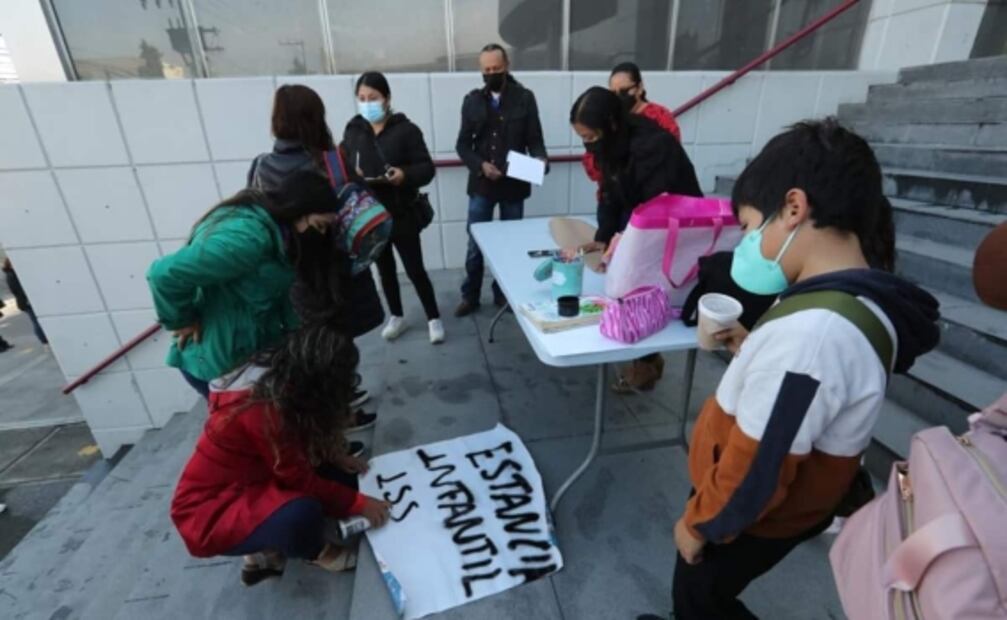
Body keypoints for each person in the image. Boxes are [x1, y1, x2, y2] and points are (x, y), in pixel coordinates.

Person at [641, 119, 940, 620]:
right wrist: (752, 347)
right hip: (784, 499)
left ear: (794, 208)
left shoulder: (813, 336)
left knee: (699, 597)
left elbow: (759, 464)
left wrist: (697, 525)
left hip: (747, 510)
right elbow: (806, 396)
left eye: (748, 227)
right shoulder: (850, 298)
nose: (744, 244)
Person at [171, 320, 392, 586]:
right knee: (302, 514)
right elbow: (297, 478)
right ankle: (313, 552)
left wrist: (334, 455)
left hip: (256, 475)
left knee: (348, 480)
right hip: (209, 511)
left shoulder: (283, 380)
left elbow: (297, 440)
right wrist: (359, 504)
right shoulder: (265, 409)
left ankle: (265, 547)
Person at [249, 83, 383, 414]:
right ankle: (344, 401)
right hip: (338, 273)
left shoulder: (261, 168)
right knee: (340, 342)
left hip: (295, 276)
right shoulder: (334, 162)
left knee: (308, 343)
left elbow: (258, 220)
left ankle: (332, 403)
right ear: (316, 118)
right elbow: (364, 207)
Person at [147, 173, 337, 402]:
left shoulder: (275, 234)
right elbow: (163, 274)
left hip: (246, 356)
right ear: (297, 211)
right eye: (319, 225)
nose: (321, 234)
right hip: (221, 366)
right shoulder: (247, 241)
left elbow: (274, 293)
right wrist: (181, 320)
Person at [568, 86, 702, 393]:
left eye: (591, 137)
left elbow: (656, 210)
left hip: (675, 223)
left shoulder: (653, 146)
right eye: (583, 138)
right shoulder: (611, 143)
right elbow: (609, 191)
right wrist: (604, 236)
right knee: (625, 282)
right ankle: (644, 357)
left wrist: (625, 239)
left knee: (641, 289)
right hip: (643, 215)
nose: (588, 145)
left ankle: (646, 362)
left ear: (612, 124)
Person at [342, 71, 443, 345]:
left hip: (401, 212)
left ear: (386, 98)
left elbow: (426, 168)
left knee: (415, 269)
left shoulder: (406, 130)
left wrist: (404, 175)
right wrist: (352, 174)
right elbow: (342, 164)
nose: (367, 104)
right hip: (370, 216)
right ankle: (396, 315)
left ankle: (433, 317)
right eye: (362, 98)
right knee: (384, 270)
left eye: (373, 98)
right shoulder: (354, 131)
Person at [455, 43, 548, 317]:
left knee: (510, 245)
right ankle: (470, 295)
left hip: (514, 184)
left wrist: (540, 158)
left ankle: (503, 294)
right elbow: (462, 145)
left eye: (496, 68)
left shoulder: (524, 98)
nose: (491, 73)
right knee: (475, 244)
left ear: (506, 66)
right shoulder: (472, 100)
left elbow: (535, 139)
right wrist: (481, 165)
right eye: (486, 70)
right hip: (482, 184)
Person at [582, 62, 682, 189]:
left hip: (652, 192)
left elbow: (672, 154)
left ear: (639, 88)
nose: (618, 98)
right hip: (615, 193)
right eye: (613, 93)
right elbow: (592, 165)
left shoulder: (660, 116)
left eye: (624, 91)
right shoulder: (608, 118)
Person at [3, 258, 48, 346]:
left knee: (37, 321)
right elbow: (19, 290)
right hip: (26, 302)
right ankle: (44, 341)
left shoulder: (11, 274)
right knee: (37, 322)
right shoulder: (12, 275)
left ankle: (44, 341)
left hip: (25, 302)